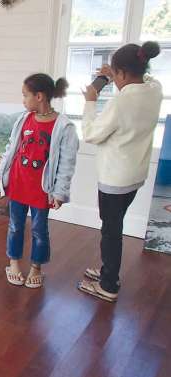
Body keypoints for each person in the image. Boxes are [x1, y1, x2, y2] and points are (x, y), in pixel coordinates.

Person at [78, 41, 163, 302]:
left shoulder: (122, 102)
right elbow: (145, 76)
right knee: (114, 226)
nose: (113, 80)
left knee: (111, 232)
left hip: (115, 180)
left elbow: (91, 134)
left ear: (123, 74)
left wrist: (91, 102)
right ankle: (107, 271)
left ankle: (108, 285)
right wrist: (114, 70)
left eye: (115, 75)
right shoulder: (154, 88)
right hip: (135, 176)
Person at [0, 73, 79, 288]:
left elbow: (67, 164)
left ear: (39, 96)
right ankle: (13, 263)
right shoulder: (24, 119)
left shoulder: (64, 127)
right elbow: (10, 149)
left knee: (39, 230)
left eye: (25, 95)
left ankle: (36, 268)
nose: (23, 101)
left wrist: (60, 192)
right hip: (17, 182)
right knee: (15, 225)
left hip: (41, 189)